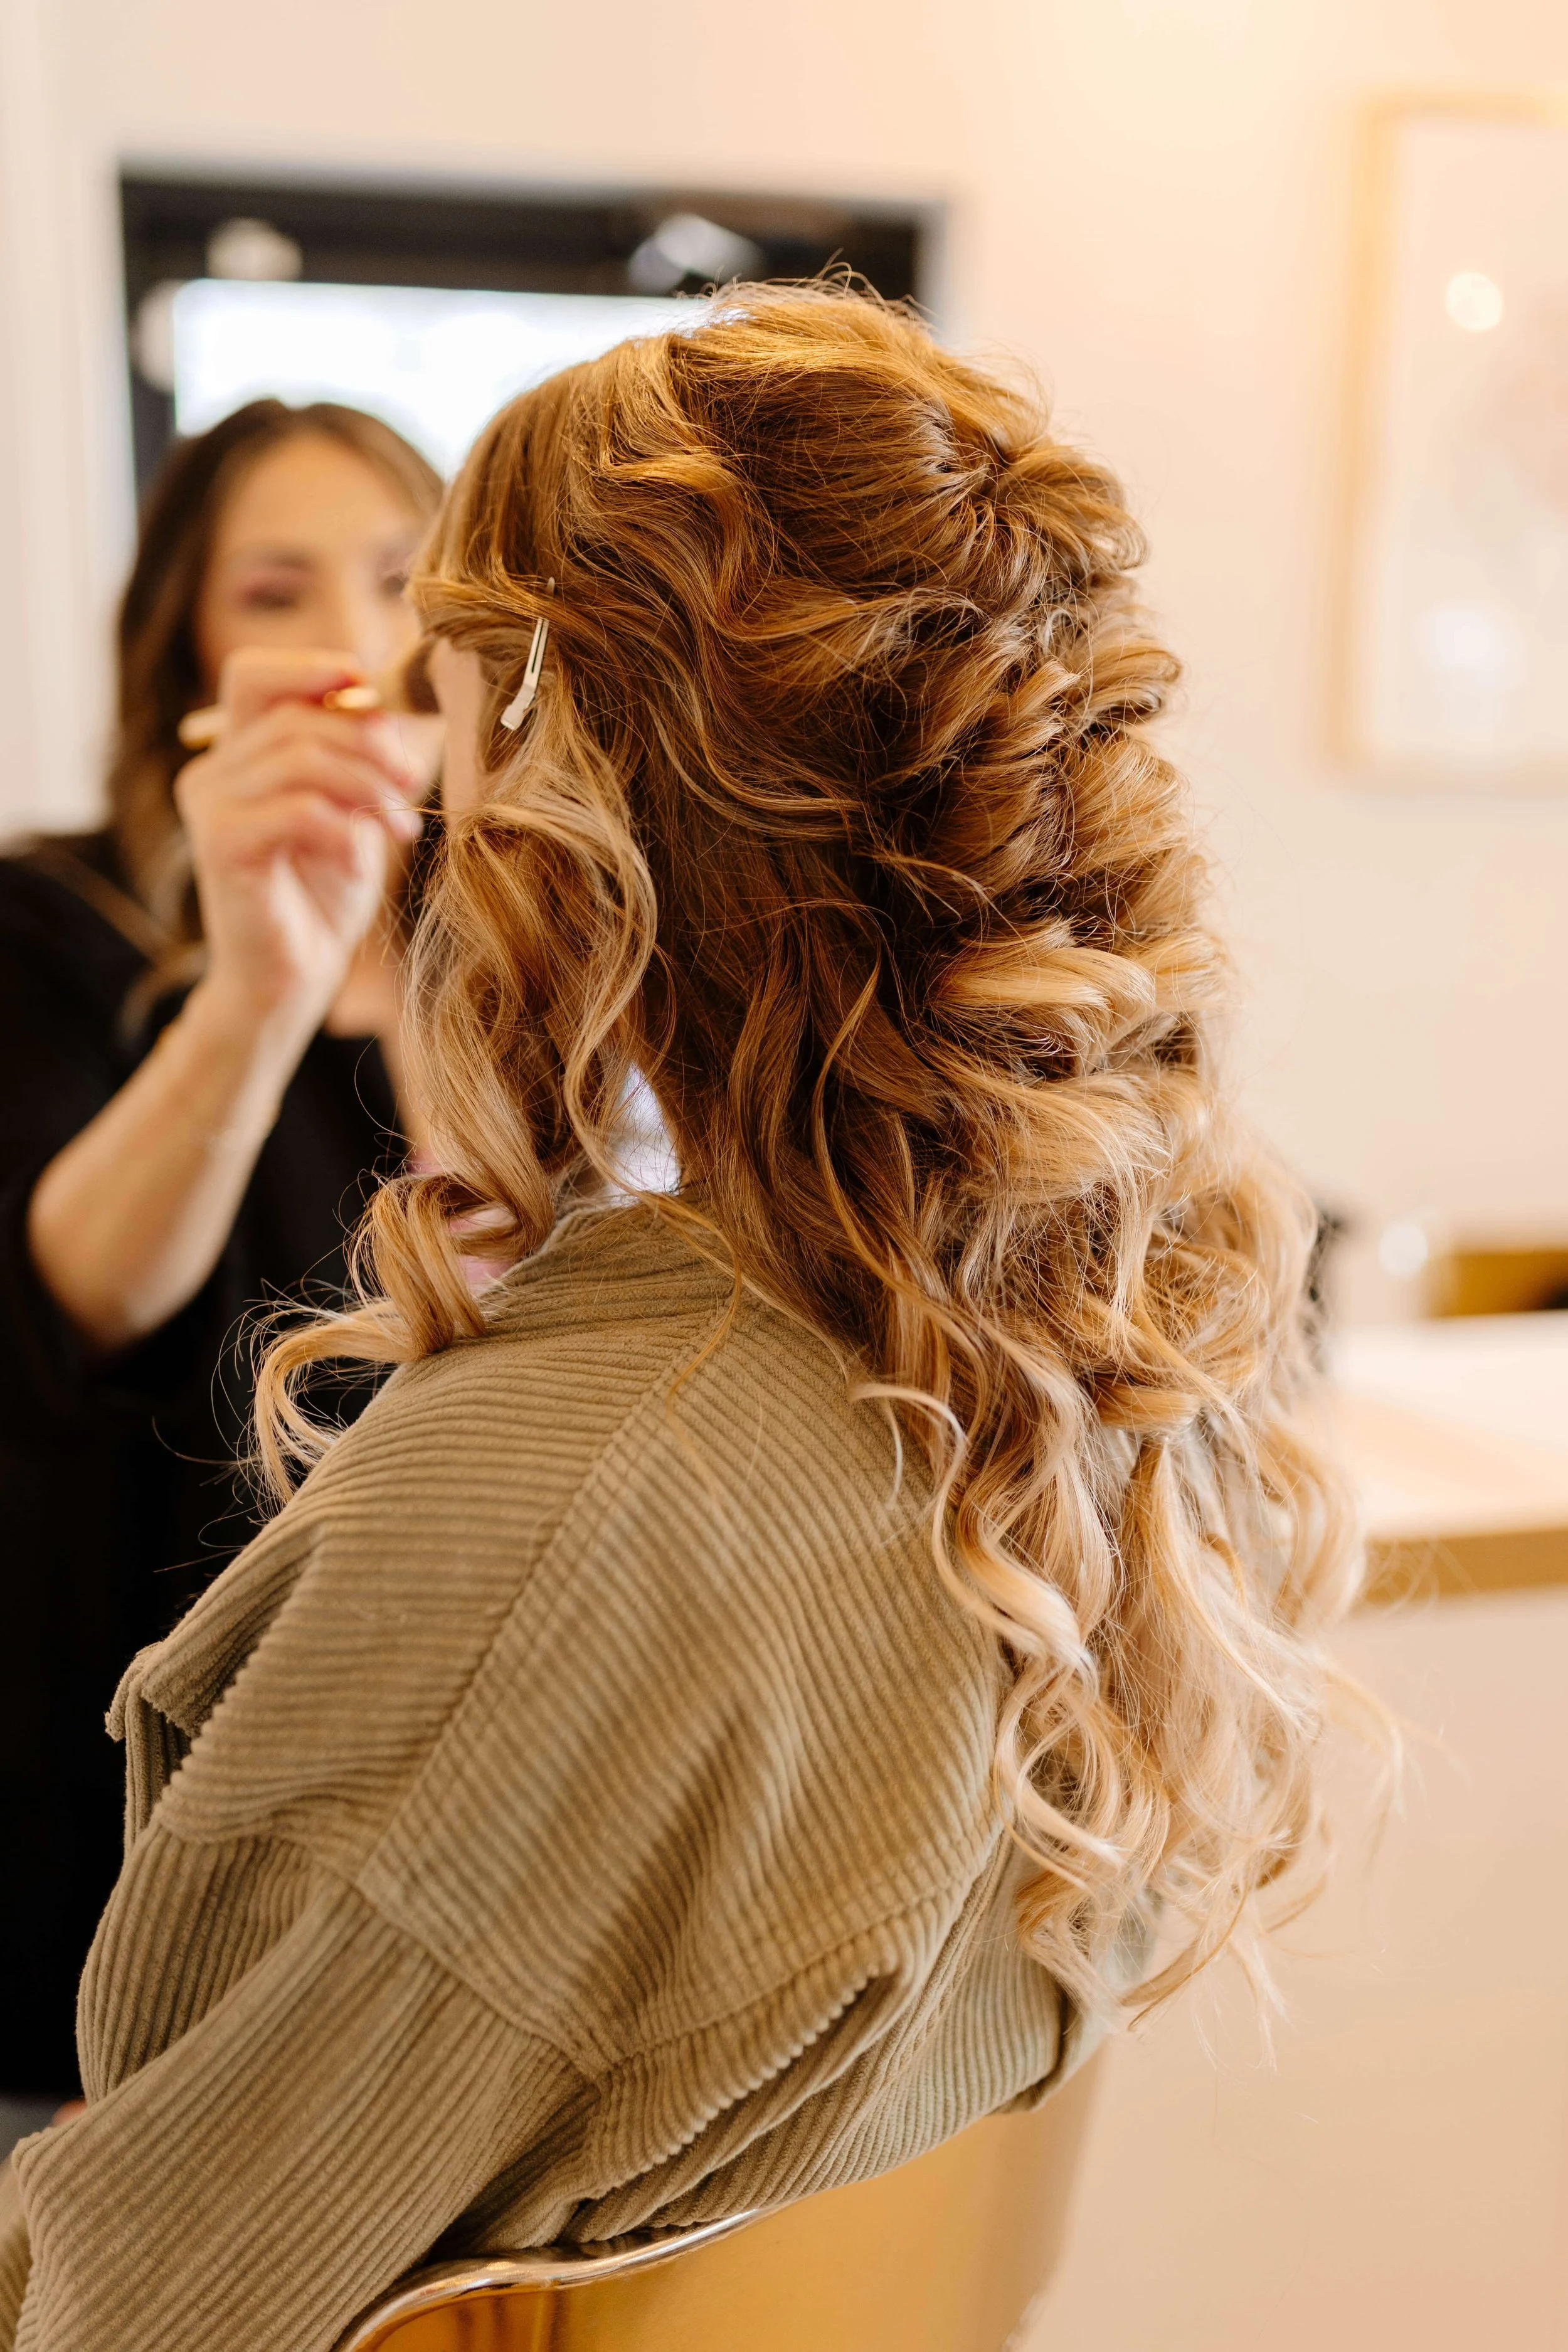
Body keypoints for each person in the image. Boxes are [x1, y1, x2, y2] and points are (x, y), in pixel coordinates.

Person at [0, 287, 1365, 2351]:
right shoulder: (1116, 1382)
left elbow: (138, 2312)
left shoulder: (555, 1520)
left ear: (552, 773)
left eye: (431, 654)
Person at [0, 401, 442, 2129]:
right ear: (182, 649)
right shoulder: (54, 924)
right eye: (275, 592)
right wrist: (261, 982)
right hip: (104, 1796)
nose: (348, 639)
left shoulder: (520, 952)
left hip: (404, 1838)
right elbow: (62, 1307)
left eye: (402, 582)